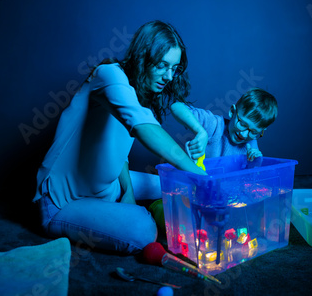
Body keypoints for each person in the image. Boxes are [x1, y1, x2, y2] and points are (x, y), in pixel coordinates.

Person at [33, 20, 206, 255]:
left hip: (109, 188)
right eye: (162, 65)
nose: (168, 76)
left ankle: (128, 206)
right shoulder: (109, 75)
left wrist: (129, 193)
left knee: (172, 182)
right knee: (143, 230)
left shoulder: (139, 93)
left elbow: (119, 155)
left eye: (174, 68)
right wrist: (196, 173)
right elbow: (143, 127)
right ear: (144, 56)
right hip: (63, 202)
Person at [170, 87, 278, 162]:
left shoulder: (251, 142)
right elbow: (176, 107)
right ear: (232, 111)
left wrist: (255, 163)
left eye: (254, 131)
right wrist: (201, 131)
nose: (245, 135)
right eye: (243, 124)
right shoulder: (214, 124)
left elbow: (251, 176)